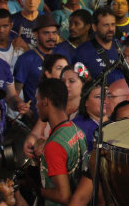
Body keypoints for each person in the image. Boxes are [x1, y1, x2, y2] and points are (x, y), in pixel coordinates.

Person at [35, 78, 87, 206]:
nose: (36, 105)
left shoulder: (54, 145)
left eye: (37, 100)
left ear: (45, 102)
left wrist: (38, 190)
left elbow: (63, 196)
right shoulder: (76, 130)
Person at [14, 15, 59, 109]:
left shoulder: (63, 56)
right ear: (35, 34)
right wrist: (26, 111)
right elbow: (14, 93)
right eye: (46, 33)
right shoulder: (26, 59)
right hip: (35, 116)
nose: (51, 37)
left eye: (54, 33)